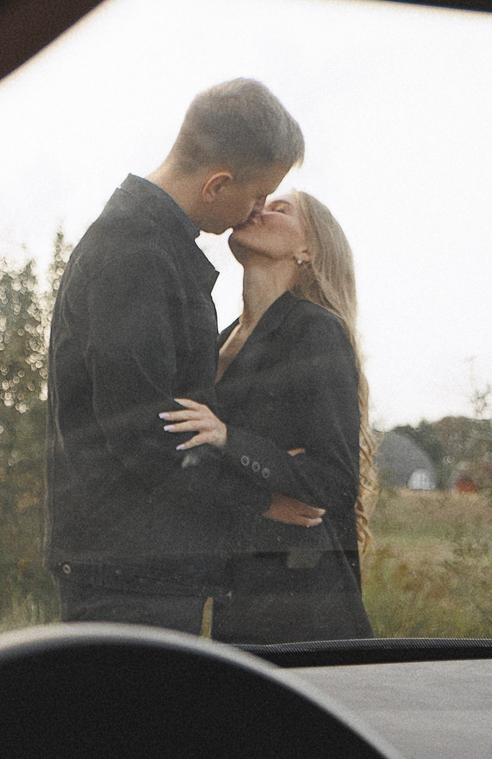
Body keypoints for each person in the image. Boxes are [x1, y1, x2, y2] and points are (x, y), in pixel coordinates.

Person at [44, 78, 311, 633]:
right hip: (129, 579)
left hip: (142, 569)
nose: (257, 209)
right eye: (257, 194)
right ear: (218, 183)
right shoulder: (134, 254)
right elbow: (143, 433)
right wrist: (262, 499)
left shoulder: (151, 246)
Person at [160, 190, 376, 644]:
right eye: (259, 201)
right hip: (234, 592)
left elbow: (334, 481)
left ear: (308, 251)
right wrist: (270, 477)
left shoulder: (315, 330)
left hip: (306, 603)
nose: (258, 208)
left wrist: (228, 440)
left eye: (280, 209)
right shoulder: (215, 340)